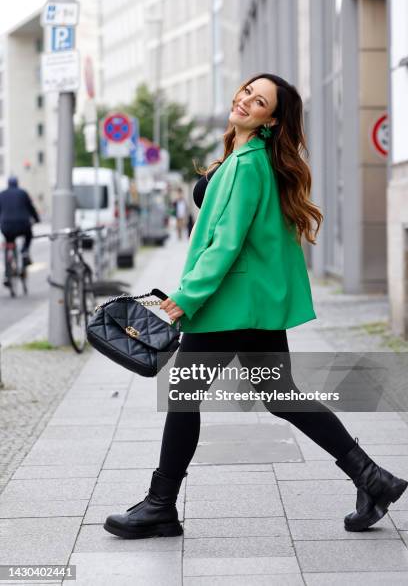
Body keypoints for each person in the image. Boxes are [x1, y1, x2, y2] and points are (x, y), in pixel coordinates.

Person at [104, 73, 407, 540]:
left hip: (231, 303)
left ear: (271, 119)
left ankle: (160, 506)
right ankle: (372, 478)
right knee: (281, 395)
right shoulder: (246, 157)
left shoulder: (249, 164)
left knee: (184, 394)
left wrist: (184, 300)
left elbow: (227, 244)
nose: (246, 100)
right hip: (247, 303)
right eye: (247, 91)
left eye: (259, 100)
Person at [0, 176, 40, 276]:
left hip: (6, 226)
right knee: (29, 235)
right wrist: (37, 219)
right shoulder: (23, 193)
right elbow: (31, 208)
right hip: (23, 224)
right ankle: (25, 251)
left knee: (9, 241)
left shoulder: (2, 194)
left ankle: (7, 272)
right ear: (17, 183)